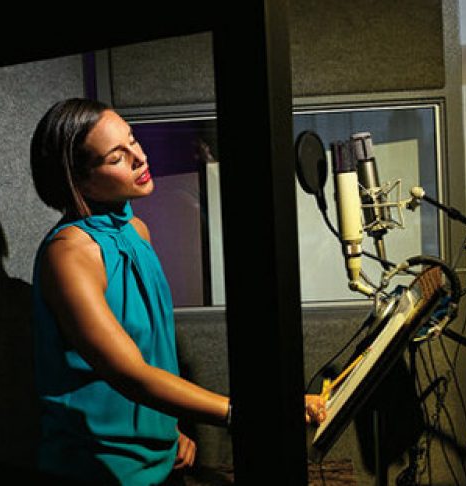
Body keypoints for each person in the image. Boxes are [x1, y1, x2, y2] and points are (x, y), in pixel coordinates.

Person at [29, 98, 326, 485]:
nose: (140, 157)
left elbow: (152, 354)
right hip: (100, 467)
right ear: (78, 180)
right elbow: (130, 374)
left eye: (133, 140)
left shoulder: (136, 231)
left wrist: (168, 430)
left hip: (162, 457)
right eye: (117, 157)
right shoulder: (68, 254)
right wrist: (247, 413)